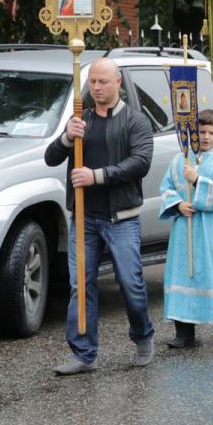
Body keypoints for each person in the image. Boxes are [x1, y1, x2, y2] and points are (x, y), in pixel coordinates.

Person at [46, 58, 155, 375]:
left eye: (103, 81)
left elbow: (140, 162)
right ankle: (83, 353)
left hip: (121, 217)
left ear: (117, 82)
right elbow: (51, 157)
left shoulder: (136, 121)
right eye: (92, 81)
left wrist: (98, 176)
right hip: (83, 217)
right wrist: (67, 137)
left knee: (130, 282)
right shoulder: (81, 120)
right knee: (81, 286)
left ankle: (142, 335)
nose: (96, 87)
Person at [159, 110, 213, 348]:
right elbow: (165, 187)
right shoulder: (179, 160)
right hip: (184, 230)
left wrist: (197, 180)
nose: (205, 137)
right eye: (201, 131)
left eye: (211, 133)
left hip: (211, 232)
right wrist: (178, 204)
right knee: (183, 274)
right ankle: (184, 332)